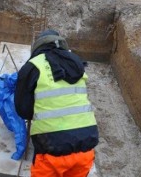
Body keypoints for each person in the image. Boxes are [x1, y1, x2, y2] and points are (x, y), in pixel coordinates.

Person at [15, 29, 99, 177]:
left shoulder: (33, 66)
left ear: (38, 47)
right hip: (86, 148)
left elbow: (23, 110)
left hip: (51, 150)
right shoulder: (76, 63)